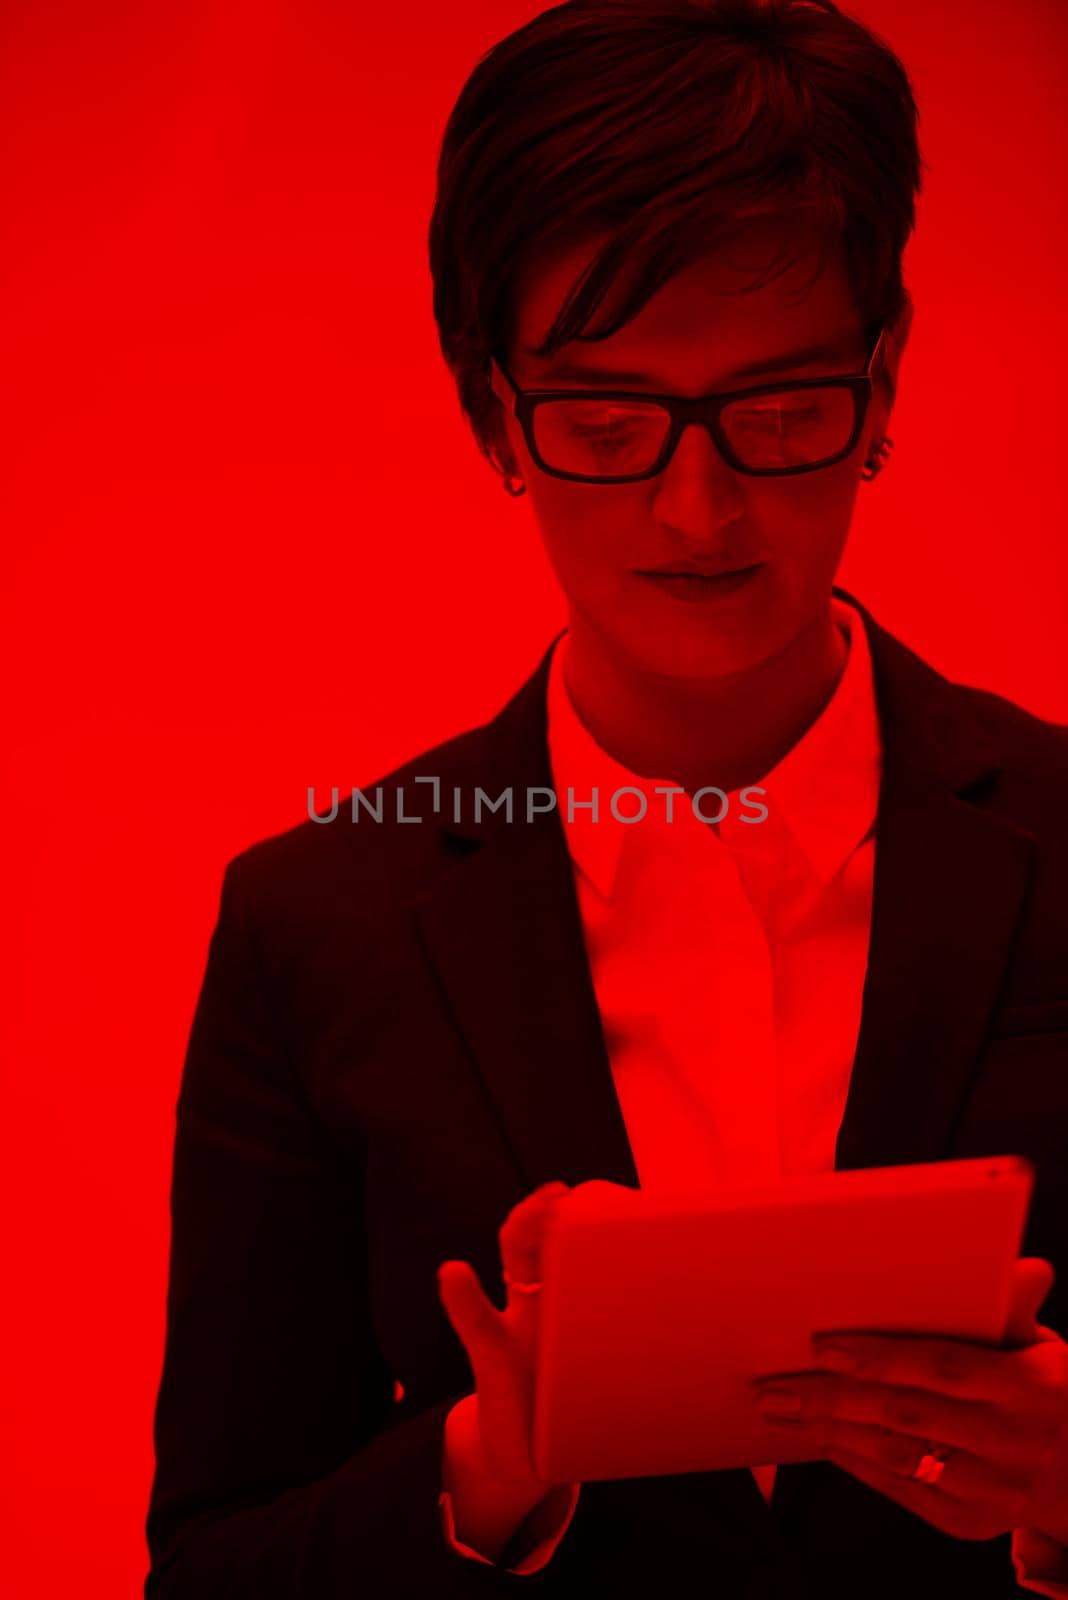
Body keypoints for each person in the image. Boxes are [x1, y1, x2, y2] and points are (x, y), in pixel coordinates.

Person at [145, 2, 1068, 1595]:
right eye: (606, 421)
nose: (697, 507)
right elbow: (214, 1561)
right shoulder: (318, 917)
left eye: (782, 410)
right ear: (493, 408)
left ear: (887, 369)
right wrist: (481, 1475)